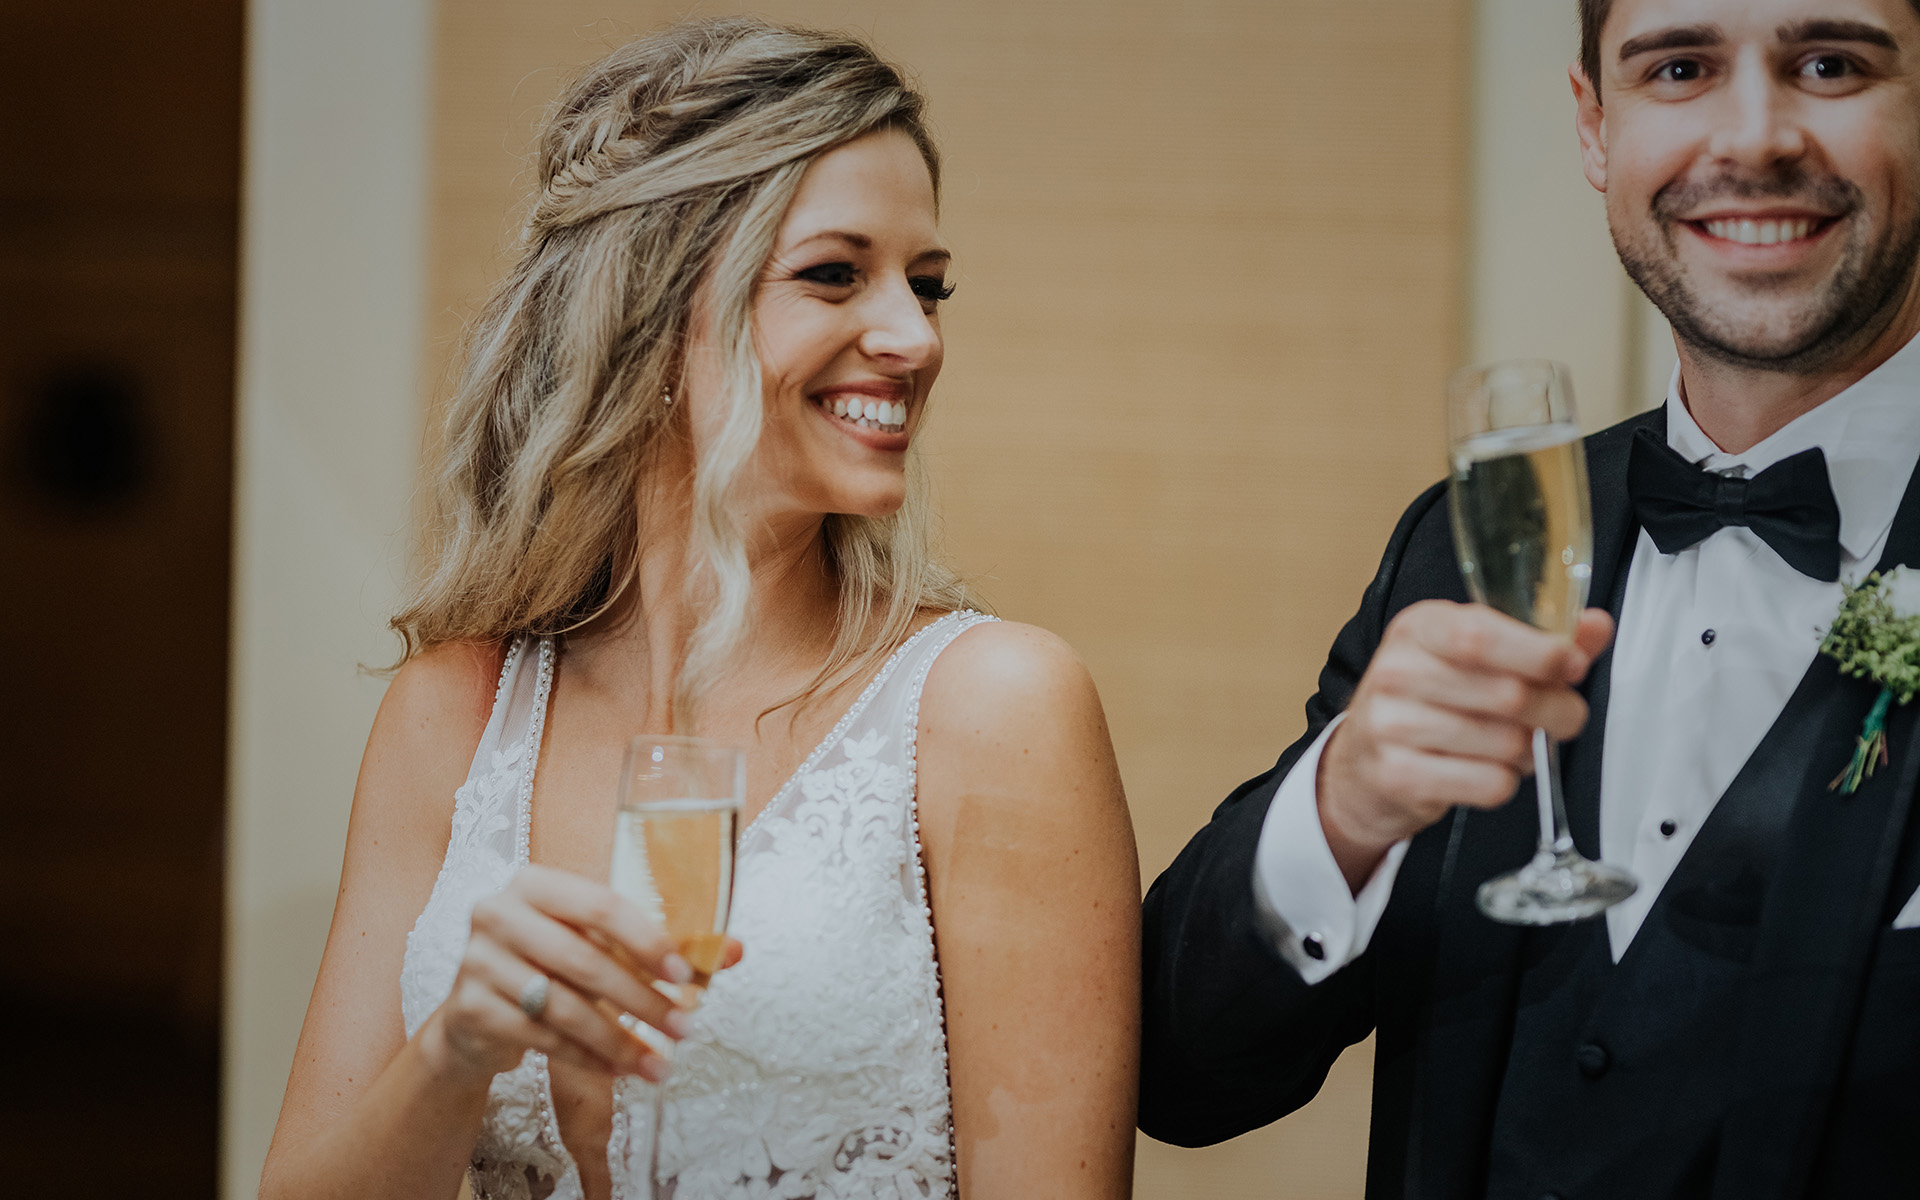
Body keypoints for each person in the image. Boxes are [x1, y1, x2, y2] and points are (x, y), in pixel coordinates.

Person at [261, 19, 1140, 1200]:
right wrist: (456, 1051)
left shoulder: (995, 710)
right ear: (652, 304)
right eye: (835, 273)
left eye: (928, 287)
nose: (914, 338)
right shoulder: (454, 711)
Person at [1141, 0, 1920, 1195]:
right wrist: (1342, 810)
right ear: (1596, 125)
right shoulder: (1464, 547)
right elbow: (1180, 1076)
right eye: (1681, 68)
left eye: (1828, 63)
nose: (1755, 136)